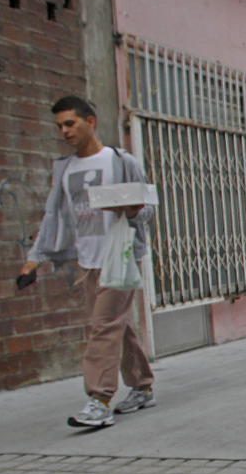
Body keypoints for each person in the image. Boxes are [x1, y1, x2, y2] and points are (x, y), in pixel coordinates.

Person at [19, 95, 157, 428]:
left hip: (120, 257)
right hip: (88, 262)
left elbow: (148, 209)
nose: (64, 131)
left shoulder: (120, 162)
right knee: (115, 327)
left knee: (103, 326)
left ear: (89, 122)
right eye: (60, 126)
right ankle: (142, 386)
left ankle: (99, 400)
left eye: (70, 123)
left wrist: (133, 210)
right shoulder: (64, 169)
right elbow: (53, 216)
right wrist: (33, 259)